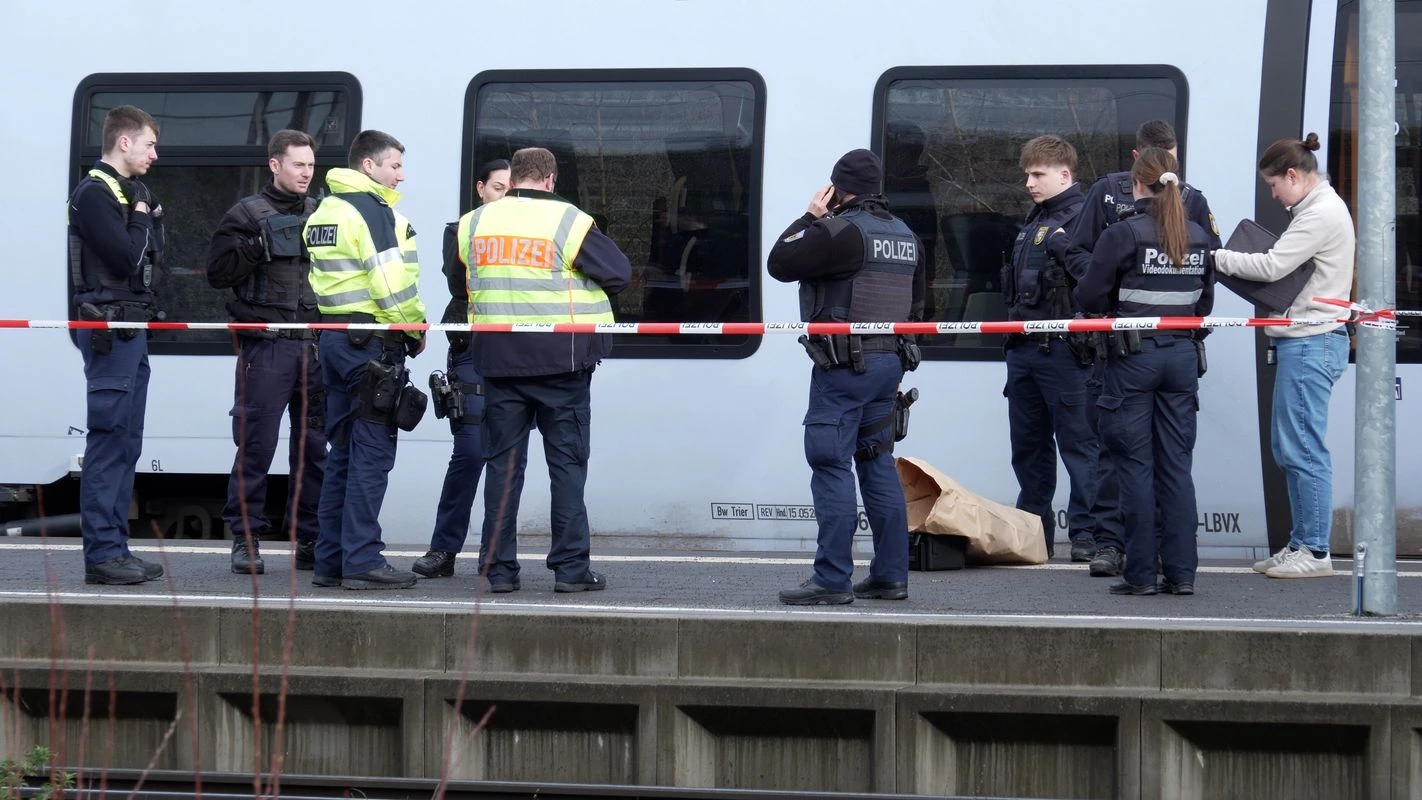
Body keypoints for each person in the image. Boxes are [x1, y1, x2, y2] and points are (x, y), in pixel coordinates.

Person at [461, 146, 631, 593]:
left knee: (502, 470)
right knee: (567, 468)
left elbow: (459, 280)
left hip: (498, 364)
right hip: (562, 364)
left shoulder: (475, 222)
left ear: (514, 176)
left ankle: (498, 571)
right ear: (551, 179)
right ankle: (571, 570)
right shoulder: (568, 221)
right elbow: (619, 273)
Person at [1060, 119, 1220, 578]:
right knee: (1175, 465)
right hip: (1181, 356)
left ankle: (1141, 573)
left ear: (1137, 182)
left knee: (1129, 461)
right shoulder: (1197, 234)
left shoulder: (1126, 232)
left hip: (1130, 357)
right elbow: (1204, 301)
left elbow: (1090, 295)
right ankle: (1181, 572)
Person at [767, 148, 925, 605]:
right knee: (877, 462)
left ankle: (832, 580)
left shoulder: (837, 232)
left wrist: (809, 216)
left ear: (837, 189)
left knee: (830, 462)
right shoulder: (907, 236)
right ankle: (891, 576)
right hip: (889, 365)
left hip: (844, 368)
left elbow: (780, 261)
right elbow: (917, 307)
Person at [1214, 133, 1355, 579]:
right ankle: (1300, 542)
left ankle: (1314, 551)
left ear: (1292, 175)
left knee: (1302, 449)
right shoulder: (1318, 208)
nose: (1273, 195)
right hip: (1308, 341)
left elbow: (1272, 267)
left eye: (1273, 185)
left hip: (1311, 341)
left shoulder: (1319, 213)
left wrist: (1216, 258)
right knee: (1291, 446)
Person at [304, 129, 426, 590]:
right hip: (371, 344)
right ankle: (362, 560)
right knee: (371, 455)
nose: (400, 175)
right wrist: (414, 329)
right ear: (368, 166)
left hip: (334, 341)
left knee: (343, 453)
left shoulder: (326, 210)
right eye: (394, 165)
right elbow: (390, 284)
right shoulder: (371, 210)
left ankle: (330, 560)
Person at [205, 129, 326, 576]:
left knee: (313, 449)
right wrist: (258, 245)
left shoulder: (322, 213)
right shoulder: (246, 214)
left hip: (314, 345)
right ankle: (245, 537)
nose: (306, 173)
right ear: (275, 165)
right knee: (256, 445)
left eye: (310, 165)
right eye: (298, 164)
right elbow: (217, 274)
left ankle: (309, 537)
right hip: (267, 346)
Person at [68, 105, 165, 585]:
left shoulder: (125, 192)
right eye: (149, 144)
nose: (154, 154)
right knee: (109, 442)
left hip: (130, 331)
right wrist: (142, 215)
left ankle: (117, 549)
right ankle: (103, 555)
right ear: (123, 142)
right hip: (109, 333)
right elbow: (126, 259)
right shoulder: (94, 193)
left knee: (127, 443)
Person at [413, 160, 513, 579]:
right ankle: (444, 550)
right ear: (480, 189)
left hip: (516, 353)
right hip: (471, 348)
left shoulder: (529, 232)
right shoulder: (460, 230)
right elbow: (459, 283)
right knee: (470, 450)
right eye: (497, 187)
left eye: (511, 189)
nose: (504, 196)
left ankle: (496, 556)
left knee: (508, 456)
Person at [1000, 135, 1098, 562]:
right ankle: (1033, 532)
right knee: (1028, 448)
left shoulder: (1084, 220)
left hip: (1065, 352)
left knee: (1080, 446)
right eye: (1027, 174)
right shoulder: (1034, 221)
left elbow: (1094, 281)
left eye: (1038, 174)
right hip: (1025, 351)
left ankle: (1088, 534)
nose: (1029, 183)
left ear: (1065, 174)